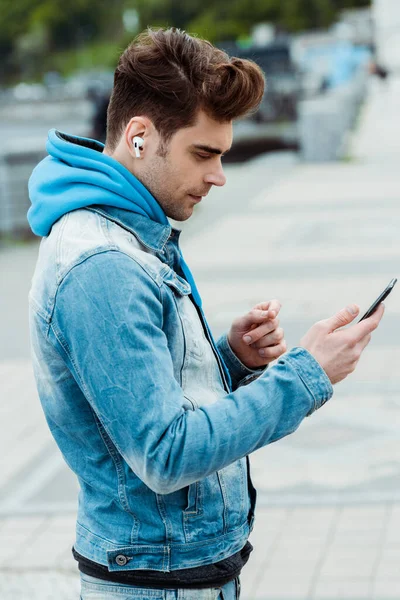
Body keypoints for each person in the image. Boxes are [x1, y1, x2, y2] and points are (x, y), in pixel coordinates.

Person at [27, 28, 384, 600]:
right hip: (157, 584)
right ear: (140, 137)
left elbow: (141, 401)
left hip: (179, 573)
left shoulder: (128, 231)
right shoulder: (102, 264)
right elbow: (166, 453)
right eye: (204, 153)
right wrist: (308, 375)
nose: (219, 176)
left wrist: (229, 359)